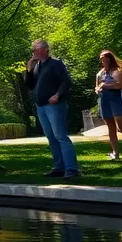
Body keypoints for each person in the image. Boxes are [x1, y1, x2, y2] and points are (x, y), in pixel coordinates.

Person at [25, 39, 80, 179]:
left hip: (54, 105)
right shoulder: (38, 67)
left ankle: (71, 169)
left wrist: (57, 95)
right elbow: (30, 85)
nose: (34, 53)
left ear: (44, 50)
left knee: (60, 136)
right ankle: (59, 167)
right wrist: (29, 70)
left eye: (36, 50)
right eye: (33, 50)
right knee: (51, 137)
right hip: (41, 106)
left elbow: (66, 81)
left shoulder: (55, 64)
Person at [95, 50, 122, 161]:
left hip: (117, 100)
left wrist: (105, 85)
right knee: (110, 127)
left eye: (104, 57)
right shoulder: (100, 73)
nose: (102, 60)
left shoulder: (118, 71)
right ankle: (116, 153)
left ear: (110, 58)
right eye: (101, 58)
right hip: (104, 100)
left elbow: (120, 85)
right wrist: (98, 89)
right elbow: (97, 86)